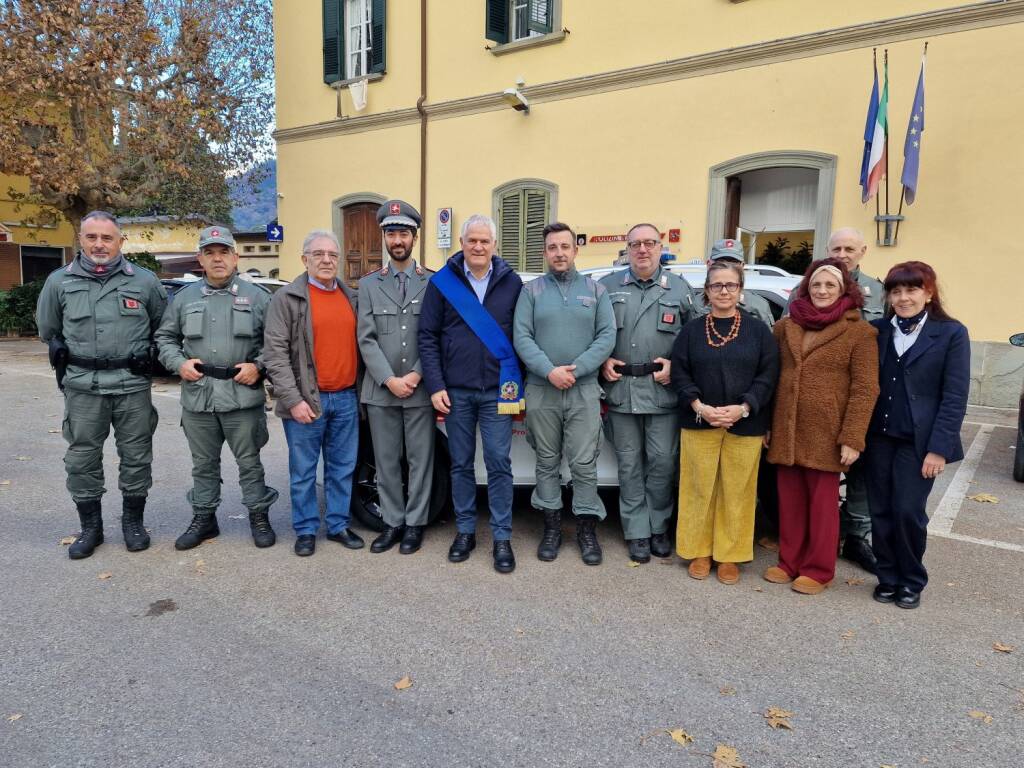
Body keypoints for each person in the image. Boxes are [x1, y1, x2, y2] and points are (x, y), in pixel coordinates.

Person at [36, 211, 167, 559]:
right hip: (82, 387)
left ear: (120, 242)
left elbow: (162, 328)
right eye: (91, 237)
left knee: (137, 456)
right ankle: (90, 528)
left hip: (131, 385)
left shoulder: (144, 282)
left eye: (106, 238)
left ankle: (133, 523)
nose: (99, 244)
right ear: (81, 239)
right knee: (82, 458)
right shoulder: (58, 282)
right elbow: (48, 330)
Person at [155, 226, 278, 550]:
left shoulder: (258, 298)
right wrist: (178, 362)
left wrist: (259, 366)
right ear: (200, 259)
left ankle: (258, 516)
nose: (217, 258)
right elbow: (164, 338)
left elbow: (277, 343)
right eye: (210, 253)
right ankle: (204, 518)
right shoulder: (184, 299)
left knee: (249, 462)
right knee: (203, 464)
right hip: (200, 396)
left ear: (235, 257)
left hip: (241, 395)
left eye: (223, 252)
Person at [765, 257, 879, 594]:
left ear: (844, 289)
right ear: (806, 288)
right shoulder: (785, 327)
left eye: (830, 284)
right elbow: (771, 378)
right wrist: (768, 425)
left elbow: (865, 388)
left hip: (828, 432)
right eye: (816, 284)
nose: (822, 290)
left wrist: (853, 437)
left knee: (822, 506)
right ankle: (789, 562)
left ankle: (818, 569)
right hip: (787, 427)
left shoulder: (859, 331)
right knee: (790, 501)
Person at [418, 214, 524, 573]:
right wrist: (435, 385)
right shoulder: (442, 283)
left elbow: (523, 336)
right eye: (472, 241)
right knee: (461, 464)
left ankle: (502, 537)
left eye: (485, 241)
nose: (478, 247)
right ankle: (464, 531)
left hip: (499, 391)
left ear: (495, 245)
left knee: (498, 464)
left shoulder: (512, 283)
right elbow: (428, 337)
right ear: (461, 243)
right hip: (457, 393)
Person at [865, 262, 970, 609]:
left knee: (908, 511)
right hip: (879, 436)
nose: (903, 297)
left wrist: (939, 449)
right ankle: (888, 577)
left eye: (911, 290)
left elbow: (954, 396)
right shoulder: (877, 330)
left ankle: (911, 580)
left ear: (928, 292)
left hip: (919, 442)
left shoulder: (951, 333)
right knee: (879, 510)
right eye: (896, 291)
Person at [514, 222, 616, 565]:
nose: (559, 253)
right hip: (543, 390)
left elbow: (606, 336)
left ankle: (587, 530)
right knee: (546, 461)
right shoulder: (531, 292)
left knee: (584, 464)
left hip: (583, 389)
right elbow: (522, 337)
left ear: (575, 250)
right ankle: (552, 528)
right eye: (552, 247)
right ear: (545, 253)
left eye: (565, 247)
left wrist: (577, 368)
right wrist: (549, 371)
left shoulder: (596, 291)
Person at [670, 261, 778, 583]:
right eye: (717, 285)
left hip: (745, 424)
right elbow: (679, 372)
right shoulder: (691, 331)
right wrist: (699, 406)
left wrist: (744, 407)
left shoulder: (758, 331)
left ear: (740, 290)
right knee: (698, 488)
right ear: (707, 291)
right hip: (699, 420)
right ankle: (699, 551)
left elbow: (768, 375)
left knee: (738, 492)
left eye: (730, 285)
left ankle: (730, 555)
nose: (724, 291)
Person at [598, 223, 697, 563]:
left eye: (649, 243)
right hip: (622, 391)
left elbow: (695, 341)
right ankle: (637, 531)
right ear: (626, 248)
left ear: (661, 247)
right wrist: (601, 361)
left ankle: (658, 526)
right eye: (635, 244)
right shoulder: (606, 287)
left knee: (662, 463)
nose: (642, 249)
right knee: (628, 466)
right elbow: (591, 335)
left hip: (662, 393)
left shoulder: (681, 289)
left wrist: (678, 368)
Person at [263, 229, 363, 557]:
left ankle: (337, 525)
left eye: (332, 255)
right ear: (304, 259)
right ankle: (305, 529)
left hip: (346, 397)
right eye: (318, 254)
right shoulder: (288, 299)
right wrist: (293, 400)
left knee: (341, 467)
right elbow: (275, 354)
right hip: (308, 399)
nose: (326, 260)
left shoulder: (351, 297)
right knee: (303, 471)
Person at [357, 200, 434, 555]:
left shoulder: (432, 282)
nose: (397, 239)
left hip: (419, 390)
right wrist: (390, 380)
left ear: (414, 237)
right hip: (382, 391)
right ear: (384, 238)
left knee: (420, 460)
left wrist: (416, 375)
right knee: (386, 462)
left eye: (403, 232)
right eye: (391, 233)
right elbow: (366, 338)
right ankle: (392, 523)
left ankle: (415, 524)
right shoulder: (370, 284)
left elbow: (434, 335)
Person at [821, 228, 886, 573]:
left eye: (849, 248)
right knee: (820, 468)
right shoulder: (812, 286)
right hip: (821, 399)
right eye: (836, 248)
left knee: (861, 468)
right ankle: (826, 530)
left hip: (862, 396)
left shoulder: (879, 292)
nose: (842, 254)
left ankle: (857, 536)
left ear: (862, 251)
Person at [697, 238, 775, 326]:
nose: (727, 268)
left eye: (733, 263)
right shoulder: (694, 305)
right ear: (709, 265)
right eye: (720, 262)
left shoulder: (759, 306)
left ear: (742, 267)